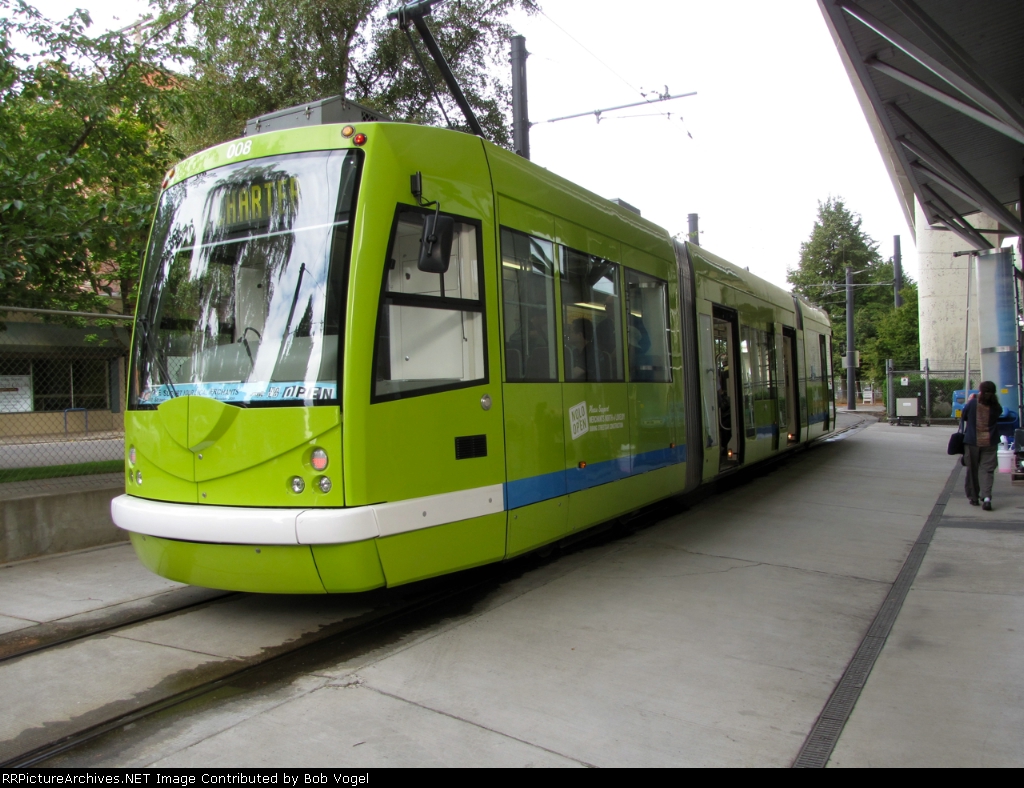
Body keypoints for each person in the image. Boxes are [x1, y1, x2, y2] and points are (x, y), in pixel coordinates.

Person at [961, 380, 1003, 510]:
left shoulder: (973, 403)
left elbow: (964, 417)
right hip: (990, 442)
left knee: (972, 469)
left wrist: (969, 401)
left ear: (980, 390)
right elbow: (997, 416)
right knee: (987, 470)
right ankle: (987, 498)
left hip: (973, 442)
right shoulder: (996, 407)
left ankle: (973, 497)